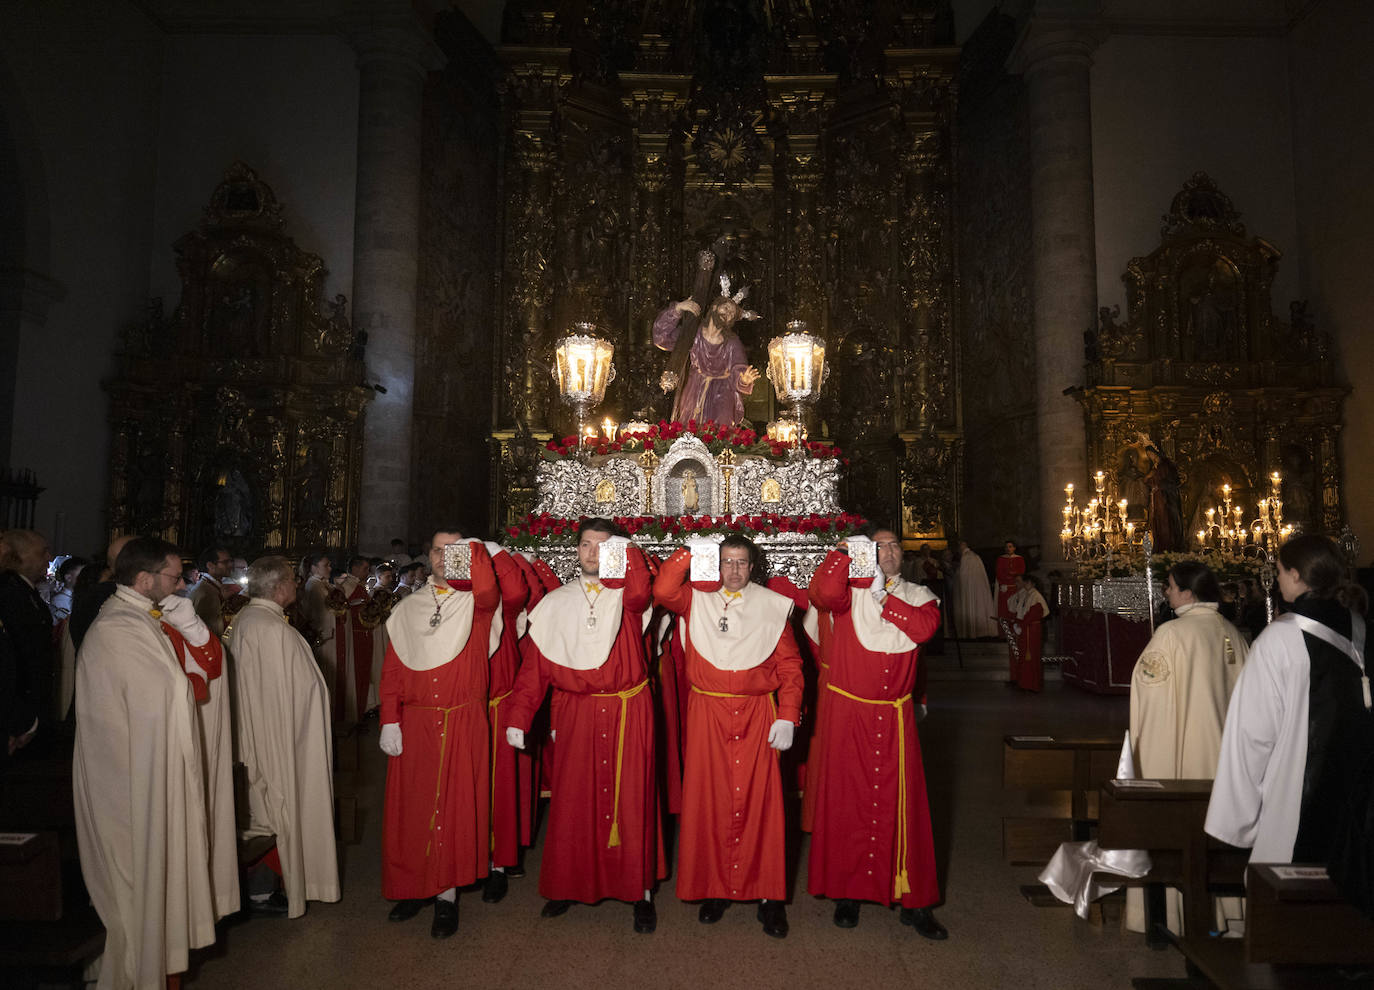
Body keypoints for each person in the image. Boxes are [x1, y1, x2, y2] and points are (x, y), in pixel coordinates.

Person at [73, 537, 221, 988]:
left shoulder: (138, 617)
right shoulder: (119, 626)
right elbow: (165, 695)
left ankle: (157, 969)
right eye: (174, 577)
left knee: (154, 880)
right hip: (125, 779)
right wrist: (190, 682)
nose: (181, 584)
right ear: (144, 579)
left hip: (141, 768)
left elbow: (181, 679)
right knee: (138, 883)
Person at [504, 518, 664, 934]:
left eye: (602, 547)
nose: (592, 553)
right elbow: (535, 670)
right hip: (576, 712)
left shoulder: (628, 597)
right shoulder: (556, 602)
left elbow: (644, 588)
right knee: (574, 801)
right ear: (575, 550)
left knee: (631, 801)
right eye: (586, 545)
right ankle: (567, 885)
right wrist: (521, 717)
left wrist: (624, 551)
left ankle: (639, 892)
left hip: (629, 709)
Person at [653, 534, 803, 938]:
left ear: (752, 566)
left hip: (758, 715)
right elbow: (663, 588)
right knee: (711, 801)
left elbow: (790, 668)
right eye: (725, 562)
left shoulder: (771, 607)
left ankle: (771, 898)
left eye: (741, 563)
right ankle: (714, 889)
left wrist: (788, 716)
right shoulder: (694, 598)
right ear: (715, 565)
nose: (733, 570)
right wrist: (690, 551)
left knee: (763, 807)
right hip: (708, 713)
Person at [806, 530, 947, 937]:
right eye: (876, 546)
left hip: (895, 716)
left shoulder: (920, 595)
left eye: (892, 545)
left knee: (906, 809)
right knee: (848, 803)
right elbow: (822, 592)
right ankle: (847, 894)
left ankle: (915, 901)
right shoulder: (847, 593)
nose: (886, 552)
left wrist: (884, 598)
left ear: (903, 554)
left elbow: (923, 629)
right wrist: (843, 553)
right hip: (850, 712)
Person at [1206, 536, 1374, 872]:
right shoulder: (1361, 628)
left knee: (1288, 894)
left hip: (1298, 800)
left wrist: (1235, 816)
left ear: (1297, 576)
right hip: (1361, 794)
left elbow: (1251, 735)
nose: (1278, 579)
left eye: (1280, 571)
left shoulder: (1279, 640)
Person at [378, 532, 500, 938]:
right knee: (411, 810)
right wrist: (389, 719)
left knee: (452, 810)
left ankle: (446, 896)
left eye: (455, 551)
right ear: (426, 556)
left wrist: (474, 553)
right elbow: (394, 667)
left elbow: (485, 588)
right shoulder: (408, 606)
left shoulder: (478, 606)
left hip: (461, 719)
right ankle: (413, 887)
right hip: (415, 722)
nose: (445, 558)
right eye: (437, 550)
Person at [1127, 560, 1248, 934]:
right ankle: (1228, 917)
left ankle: (1179, 919)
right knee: (1222, 841)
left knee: (1183, 836)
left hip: (1184, 758)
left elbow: (1149, 700)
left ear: (1188, 592)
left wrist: (1144, 752)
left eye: (1170, 585)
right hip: (1228, 761)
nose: (1165, 591)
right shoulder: (1232, 632)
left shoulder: (1171, 635)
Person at [225, 555, 340, 918]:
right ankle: (264, 891)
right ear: (278, 587)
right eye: (291, 579)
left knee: (261, 807)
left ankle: (262, 889)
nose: (295, 584)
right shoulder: (274, 630)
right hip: (277, 739)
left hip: (257, 734)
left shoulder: (248, 620)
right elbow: (301, 694)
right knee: (277, 809)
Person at [653, 293, 761, 426]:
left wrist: (743, 380)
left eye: (731, 314)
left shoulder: (732, 343)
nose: (727, 314)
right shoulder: (693, 334)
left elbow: (738, 370)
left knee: (719, 437)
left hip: (721, 396)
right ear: (714, 307)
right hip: (693, 392)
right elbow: (661, 338)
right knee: (688, 433)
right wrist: (678, 309)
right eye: (725, 308)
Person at [0, 530, 55, 748]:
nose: (49, 558)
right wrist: (21, 720)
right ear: (20, 557)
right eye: (43, 552)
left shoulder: (24, 592)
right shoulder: (10, 594)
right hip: (17, 714)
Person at [1007, 574, 1048, 692]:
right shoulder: (1028, 595)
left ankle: (1032, 685)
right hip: (1027, 629)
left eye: (1027, 582)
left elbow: (1034, 613)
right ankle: (1025, 684)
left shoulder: (1036, 596)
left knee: (1030, 657)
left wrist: (1021, 624)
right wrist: (1017, 622)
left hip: (1032, 630)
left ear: (1033, 583)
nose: (1025, 584)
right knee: (1024, 658)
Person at [951, 541, 998, 639]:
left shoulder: (965, 558)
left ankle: (971, 632)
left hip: (968, 590)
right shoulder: (976, 556)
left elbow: (962, 577)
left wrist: (955, 572)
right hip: (979, 590)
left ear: (961, 548)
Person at [190, 545, 235, 637]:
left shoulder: (211, 587)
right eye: (225, 562)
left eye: (231, 561)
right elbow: (207, 628)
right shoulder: (205, 591)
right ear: (210, 565)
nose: (231, 565)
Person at [995, 541, 1025, 620]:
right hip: (1005, 588)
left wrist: (1014, 574)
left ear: (1014, 548)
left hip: (1015, 587)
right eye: (1007, 547)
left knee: (1015, 607)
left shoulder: (1019, 558)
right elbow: (999, 573)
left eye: (1010, 546)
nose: (1008, 548)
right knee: (1004, 608)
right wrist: (1002, 583)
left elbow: (1021, 571)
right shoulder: (1001, 559)